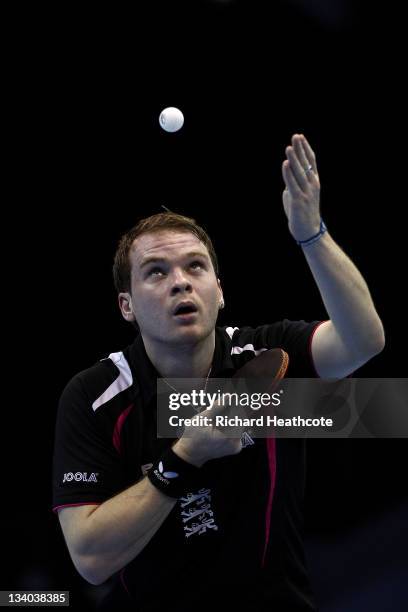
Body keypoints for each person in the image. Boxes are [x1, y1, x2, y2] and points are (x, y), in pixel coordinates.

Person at [52, 134, 385, 611]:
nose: (181, 281)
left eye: (195, 266)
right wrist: (186, 457)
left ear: (220, 291)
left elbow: (364, 342)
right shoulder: (93, 397)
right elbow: (89, 557)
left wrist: (311, 235)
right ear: (126, 305)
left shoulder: (272, 352)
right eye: (156, 272)